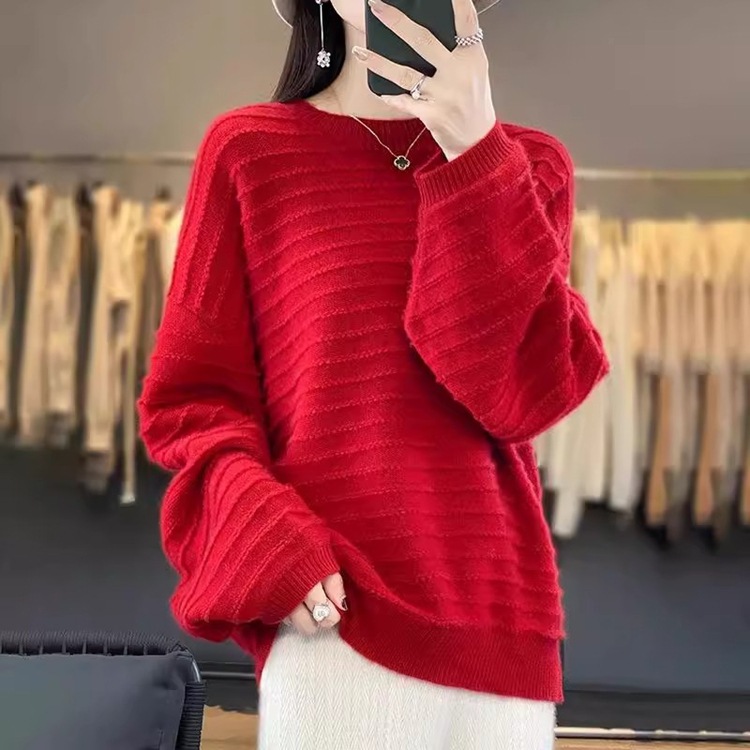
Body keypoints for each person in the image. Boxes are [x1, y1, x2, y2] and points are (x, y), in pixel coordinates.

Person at [138, 0, 609, 746]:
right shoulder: (249, 152)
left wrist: (476, 152)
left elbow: (519, 397)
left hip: (504, 625)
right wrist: (267, 533)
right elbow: (191, 404)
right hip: (338, 618)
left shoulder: (529, 166)